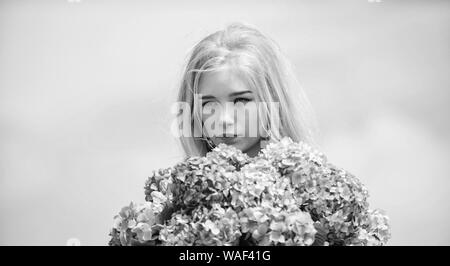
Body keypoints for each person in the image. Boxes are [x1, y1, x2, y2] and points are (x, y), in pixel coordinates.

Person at [174, 22, 318, 159]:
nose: (224, 119)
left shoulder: (313, 181)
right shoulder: (177, 183)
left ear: (273, 100)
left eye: (241, 100)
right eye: (208, 104)